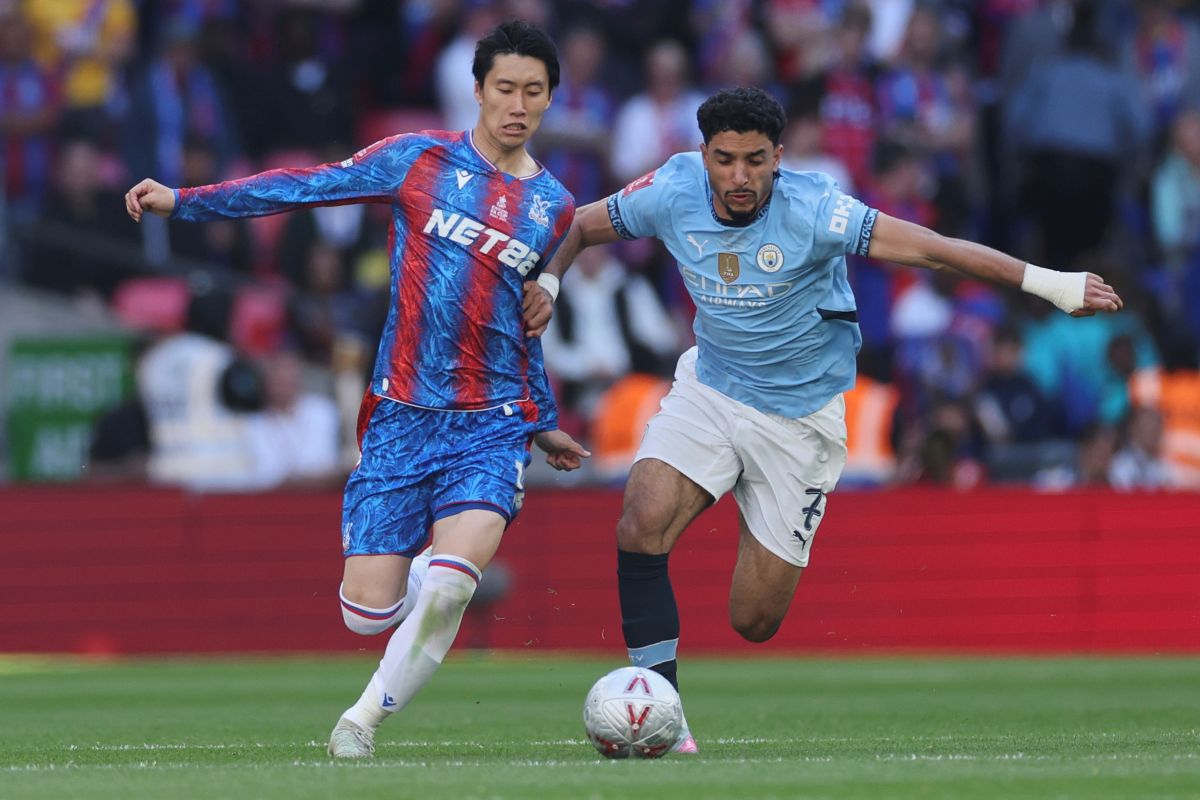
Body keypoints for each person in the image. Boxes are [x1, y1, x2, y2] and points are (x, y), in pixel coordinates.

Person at [523, 86, 1123, 753]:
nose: (740, 177)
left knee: (753, 619)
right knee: (640, 522)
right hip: (712, 390)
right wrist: (547, 284)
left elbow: (931, 248)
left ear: (779, 156)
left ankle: (749, 556)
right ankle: (661, 712)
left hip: (801, 422)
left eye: (755, 160)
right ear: (704, 154)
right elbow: (578, 224)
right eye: (725, 160)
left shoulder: (817, 210)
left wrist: (1054, 285)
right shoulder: (671, 190)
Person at [125, 19, 589, 758]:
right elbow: (305, 187)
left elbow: (521, 323)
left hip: (492, 419)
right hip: (401, 415)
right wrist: (185, 200)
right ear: (477, 90)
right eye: (505, 87)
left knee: (449, 584)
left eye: (534, 91)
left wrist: (542, 419)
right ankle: (427, 600)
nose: (518, 104)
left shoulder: (554, 205)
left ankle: (360, 721)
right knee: (364, 615)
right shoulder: (418, 160)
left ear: (549, 101)